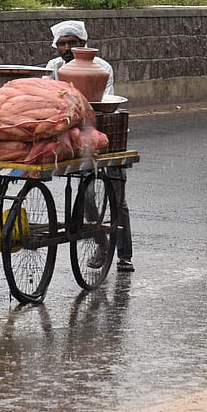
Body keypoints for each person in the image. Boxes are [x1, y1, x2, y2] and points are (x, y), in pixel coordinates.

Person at [47, 20, 133, 272]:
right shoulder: (54, 67)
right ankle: (100, 241)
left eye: (71, 43)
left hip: (103, 131)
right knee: (86, 197)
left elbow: (100, 102)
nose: (66, 48)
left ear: (83, 44)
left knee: (117, 197)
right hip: (76, 135)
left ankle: (125, 255)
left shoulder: (101, 67)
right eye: (61, 44)